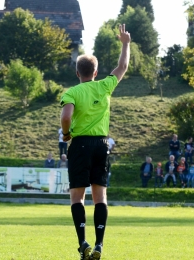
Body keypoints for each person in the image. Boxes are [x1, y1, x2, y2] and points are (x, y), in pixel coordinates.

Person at [60, 24, 131, 260]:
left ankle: (83, 244)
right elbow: (122, 66)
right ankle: (100, 244)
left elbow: (66, 117)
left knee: (77, 198)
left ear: (77, 73)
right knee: (100, 198)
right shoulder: (105, 86)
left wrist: (67, 134)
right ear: (96, 72)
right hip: (102, 145)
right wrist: (125, 43)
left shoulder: (71, 93)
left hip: (79, 145)